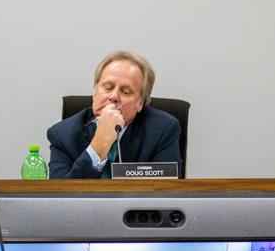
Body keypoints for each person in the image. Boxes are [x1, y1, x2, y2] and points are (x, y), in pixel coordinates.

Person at [47, 51, 181, 179]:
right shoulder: (62, 134)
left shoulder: (163, 130)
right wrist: (100, 143)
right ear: (94, 91)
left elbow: (165, 193)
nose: (113, 97)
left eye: (126, 91)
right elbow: (61, 196)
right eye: (108, 87)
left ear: (140, 103)